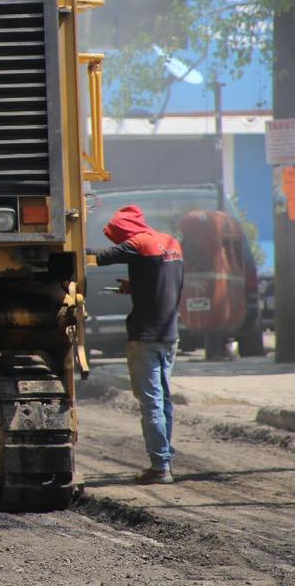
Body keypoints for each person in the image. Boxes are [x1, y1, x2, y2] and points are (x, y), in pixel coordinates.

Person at [91, 203, 185, 485]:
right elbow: (166, 282)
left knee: (151, 403)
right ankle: (165, 456)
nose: (120, 241)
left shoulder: (139, 242)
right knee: (164, 400)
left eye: (119, 235)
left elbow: (101, 257)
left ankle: (159, 466)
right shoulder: (170, 242)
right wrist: (137, 286)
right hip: (170, 334)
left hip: (144, 337)